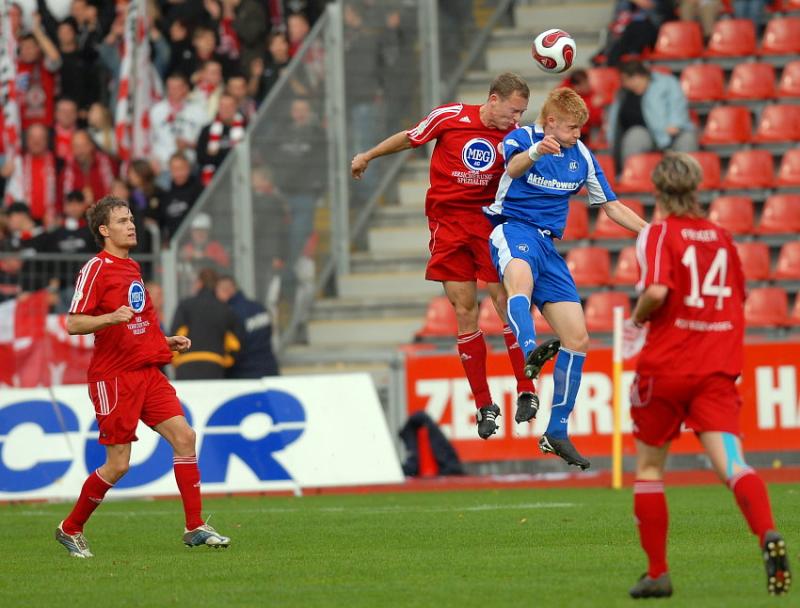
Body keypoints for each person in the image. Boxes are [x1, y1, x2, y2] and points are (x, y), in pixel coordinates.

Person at [625, 153, 790, 598]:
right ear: (696, 189)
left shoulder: (659, 233)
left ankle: (657, 572)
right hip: (715, 367)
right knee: (734, 465)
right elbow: (738, 297)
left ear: (658, 192)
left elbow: (657, 290)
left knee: (649, 468)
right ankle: (767, 533)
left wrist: (637, 319)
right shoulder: (722, 237)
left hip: (666, 365)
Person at [351, 72, 542, 440]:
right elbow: (410, 138)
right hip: (448, 226)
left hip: (491, 224)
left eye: (522, 113)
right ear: (493, 99)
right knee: (465, 311)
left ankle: (526, 389)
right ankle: (484, 404)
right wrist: (369, 155)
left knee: (505, 301)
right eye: (513, 111)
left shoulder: (516, 136)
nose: (516, 119)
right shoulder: (450, 117)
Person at [56, 196, 230, 558]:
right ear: (104, 230)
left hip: (146, 371)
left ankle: (194, 526)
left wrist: (165, 341)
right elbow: (73, 322)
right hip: (114, 378)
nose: (131, 225)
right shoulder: (96, 269)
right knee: (118, 464)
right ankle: (70, 528)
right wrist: (108, 318)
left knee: (185, 436)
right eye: (121, 221)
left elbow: (136, 323)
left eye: (131, 219)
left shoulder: (132, 269)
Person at [486, 87, 647, 468]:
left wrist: (651, 232)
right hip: (513, 229)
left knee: (578, 337)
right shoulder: (524, 137)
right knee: (519, 282)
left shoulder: (582, 155)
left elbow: (610, 205)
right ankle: (529, 351)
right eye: (573, 127)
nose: (578, 134)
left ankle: (557, 431)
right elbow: (510, 169)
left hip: (549, 248)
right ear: (552, 122)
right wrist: (537, 152)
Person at [607, 60, 697, 172]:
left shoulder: (666, 82)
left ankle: (685, 181)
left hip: (670, 132)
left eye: (626, 80)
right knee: (634, 136)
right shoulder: (622, 93)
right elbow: (614, 118)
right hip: (645, 134)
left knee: (688, 139)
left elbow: (678, 103)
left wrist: (675, 123)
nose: (625, 84)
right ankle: (631, 177)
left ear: (637, 76)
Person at [170, 267, 241, 381]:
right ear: (216, 285)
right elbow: (235, 344)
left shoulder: (185, 306)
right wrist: (224, 361)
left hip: (186, 365)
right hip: (214, 365)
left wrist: (176, 361)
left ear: (199, 283)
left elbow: (175, 337)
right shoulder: (225, 309)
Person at [215, 275, 280, 378]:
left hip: (244, 373)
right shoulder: (259, 308)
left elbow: (234, 347)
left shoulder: (230, 313)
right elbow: (271, 332)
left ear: (225, 290)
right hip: (269, 369)